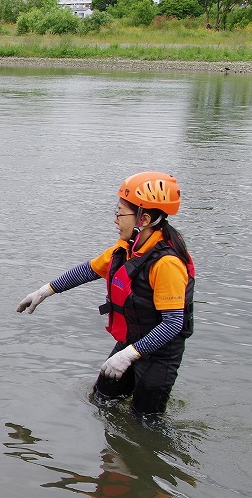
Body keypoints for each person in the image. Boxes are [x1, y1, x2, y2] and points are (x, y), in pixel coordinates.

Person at [16, 172, 195, 418]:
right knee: (102, 399)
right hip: (133, 341)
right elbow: (88, 270)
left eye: (120, 213)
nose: (115, 220)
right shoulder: (128, 249)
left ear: (143, 219)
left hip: (159, 352)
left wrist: (128, 355)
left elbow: (173, 323)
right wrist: (45, 290)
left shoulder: (167, 264)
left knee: (145, 422)